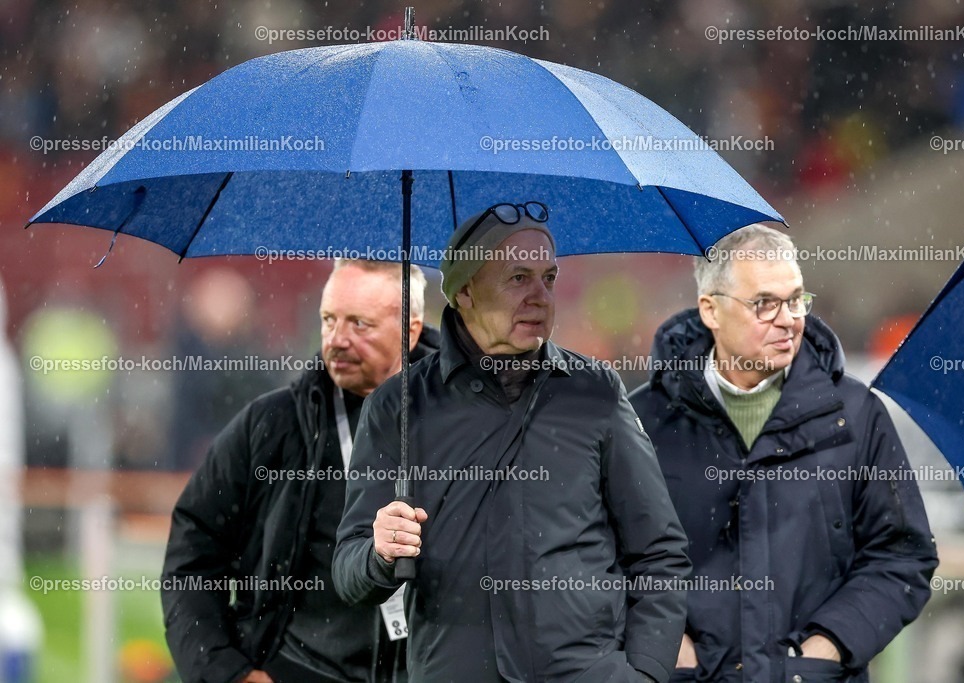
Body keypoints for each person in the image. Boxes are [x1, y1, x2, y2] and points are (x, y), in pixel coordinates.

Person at [332, 202, 692, 683]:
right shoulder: (395, 408)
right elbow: (347, 572)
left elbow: (659, 554)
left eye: (549, 278)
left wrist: (645, 674)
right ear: (464, 292)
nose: (540, 296)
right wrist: (379, 552)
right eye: (518, 278)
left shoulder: (597, 391)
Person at [630, 224, 938, 683]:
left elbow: (903, 556)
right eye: (765, 304)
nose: (789, 318)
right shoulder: (643, 421)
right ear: (710, 310)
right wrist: (670, 645)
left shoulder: (855, 414)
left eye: (796, 299)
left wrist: (826, 648)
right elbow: (602, 559)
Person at [162, 259, 438, 683]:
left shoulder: (466, 418)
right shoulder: (271, 427)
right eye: (329, 320)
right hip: (300, 668)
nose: (337, 340)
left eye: (359, 325)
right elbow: (193, 557)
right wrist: (227, 672)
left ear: (411, 330)